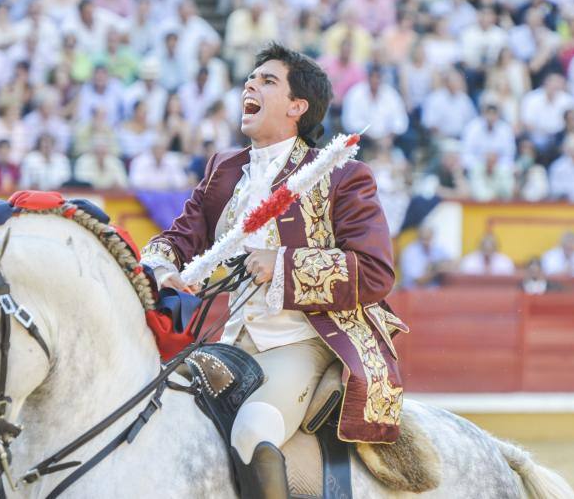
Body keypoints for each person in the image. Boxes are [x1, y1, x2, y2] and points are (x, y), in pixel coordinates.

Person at [141, 43, 402, 499]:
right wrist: (163, 270)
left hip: (301, 340)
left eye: (268, 80)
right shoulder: (225, 169)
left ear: (297, 107)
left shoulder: (341, 175)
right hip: (230, 341)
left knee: (252, 430)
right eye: (251, 78)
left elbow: (375, 272)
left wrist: (281, 264)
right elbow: (180, 238)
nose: (251, 84)